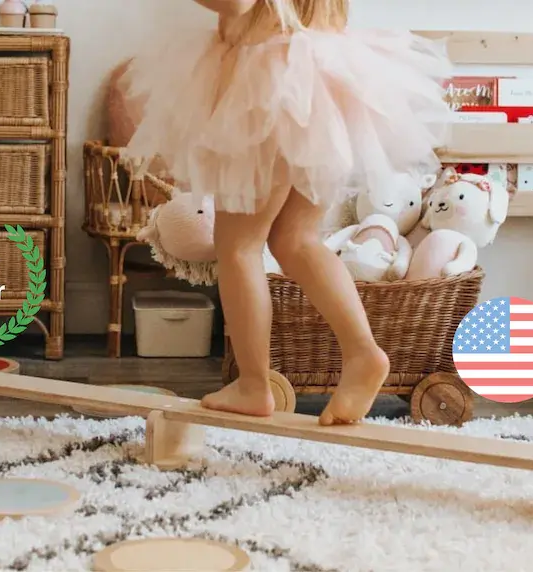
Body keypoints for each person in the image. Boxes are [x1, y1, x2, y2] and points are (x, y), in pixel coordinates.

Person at [124, 0, 453, 425]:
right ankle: (361, 352)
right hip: (320, 80)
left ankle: (253, 384)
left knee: (238, 245)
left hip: (267, 85)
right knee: (295, 239)